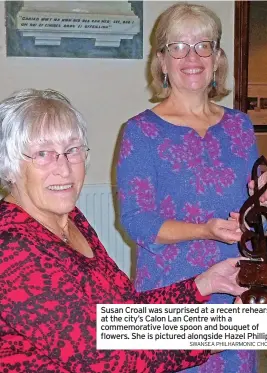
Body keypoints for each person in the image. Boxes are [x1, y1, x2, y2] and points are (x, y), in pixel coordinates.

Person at [0, 88, 246, 372]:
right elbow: (106, 357)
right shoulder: (12, 249)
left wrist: (203, 284)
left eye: (72, 150)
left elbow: (122, 314)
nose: (64, 169)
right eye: (43, 154)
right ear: (10, 165)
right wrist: (226, 330)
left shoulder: (68, 219)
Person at [117, 3, 267, 373]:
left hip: (236, 290)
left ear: (217, 57)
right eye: (178, 46)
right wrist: (205, 230)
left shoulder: (239, 126)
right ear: (161, 60)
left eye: (203, 45)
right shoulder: (140, 132)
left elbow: (255, 205)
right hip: (173, 292)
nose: (192, 57)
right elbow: (138, 223)